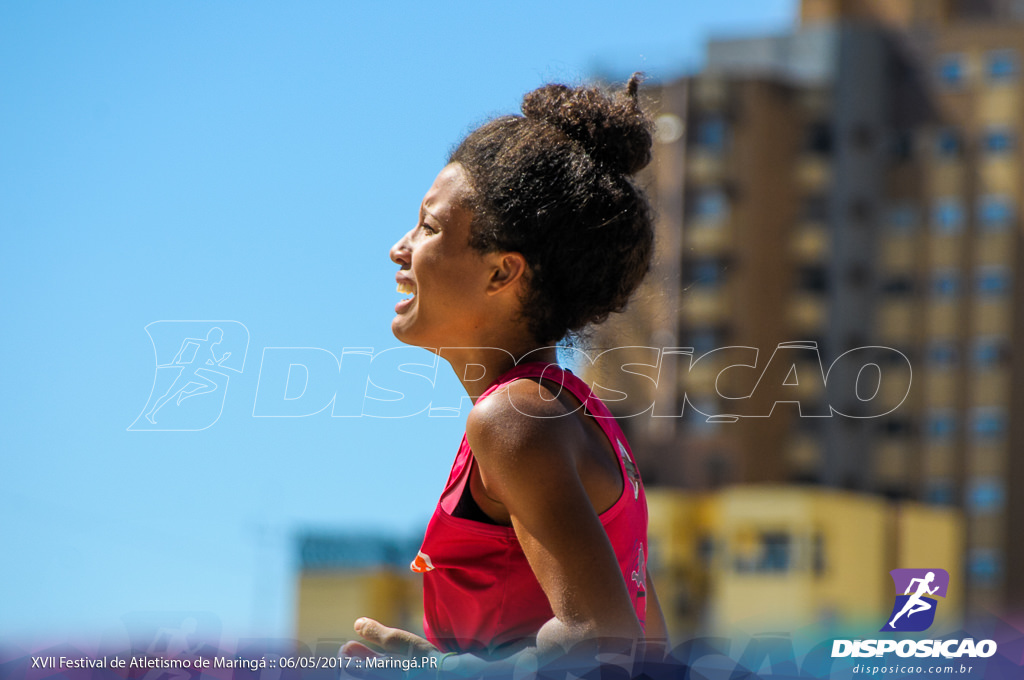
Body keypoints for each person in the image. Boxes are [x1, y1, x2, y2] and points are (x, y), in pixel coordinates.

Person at [344, 74, 668, 672]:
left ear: (502, 273)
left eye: (429, 227)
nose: (400, 248)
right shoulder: (565, 415)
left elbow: (606, 640)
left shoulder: (513, 421)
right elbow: (650, 647)